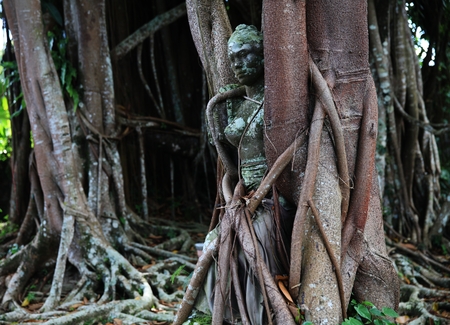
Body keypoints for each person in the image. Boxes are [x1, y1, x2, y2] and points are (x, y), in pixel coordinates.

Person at [194, 25, 294, 325]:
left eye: (246, 55)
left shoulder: (277, 101)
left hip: (276, 196)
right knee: (215, 244)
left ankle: (256, 317)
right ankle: (224, 316)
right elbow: (223, 147)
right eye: (233, 58)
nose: (238, 64)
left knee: (248, 250)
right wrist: (222, 109)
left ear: (264, 58)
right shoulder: (235, 103)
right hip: (243, 197)